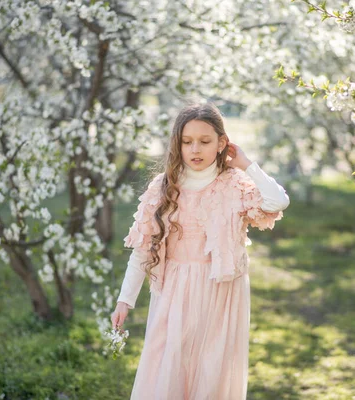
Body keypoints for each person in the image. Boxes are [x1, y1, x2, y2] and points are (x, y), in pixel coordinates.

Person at [110, 102, 290, 400]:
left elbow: (277, 201)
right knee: (169, 363)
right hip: (175, 291)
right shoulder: (165, 187)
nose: (195, 149)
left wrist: (246, 165)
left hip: (221, 292)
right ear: (177, 144)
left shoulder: (234, 184)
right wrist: (124, 300)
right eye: (187, 141)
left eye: (205, 142)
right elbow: (142, 250)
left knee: (211, 368)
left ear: (222, 144)